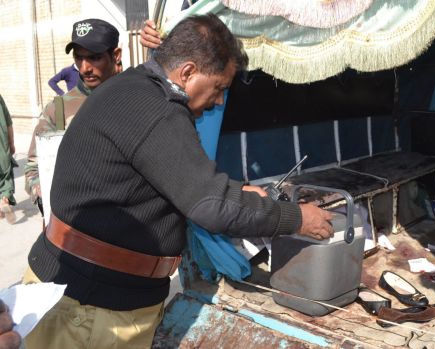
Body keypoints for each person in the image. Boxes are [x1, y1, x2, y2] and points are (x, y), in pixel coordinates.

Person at [23, 14, 333, 348]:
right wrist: (298, 218)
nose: (217, 102)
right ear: (187, 72)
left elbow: (156, 174)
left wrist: (237, 190)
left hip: (76, 293)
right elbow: (211, 206)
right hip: (92, 311)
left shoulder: (132, 87)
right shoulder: (159, 109)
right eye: (218, 89)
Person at [24, 18, 122, 210]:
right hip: (78, 224)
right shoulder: (57, 110)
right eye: (79, 57)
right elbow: (32, 169)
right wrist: (40, 188)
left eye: (94, 57)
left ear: (115, 55)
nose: (85, 67)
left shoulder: (138, 99)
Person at [0, 94, 16, 224]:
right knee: (6, 176)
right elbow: (8, 121)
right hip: (2, 144)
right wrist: (11, 143)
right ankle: (4, 199)